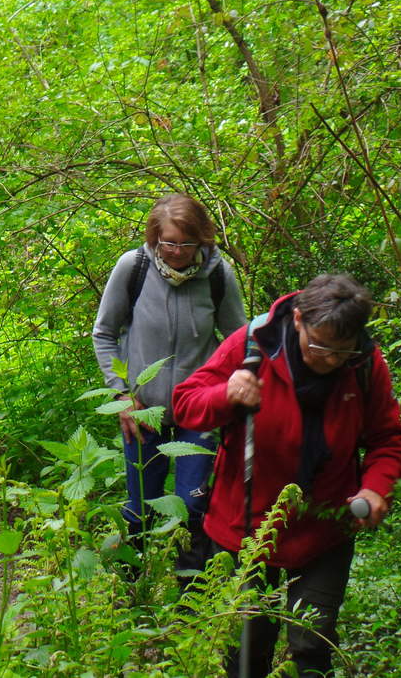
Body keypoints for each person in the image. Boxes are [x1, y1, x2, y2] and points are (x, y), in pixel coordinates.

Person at [173, 273, 401, 677]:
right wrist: (226, 393)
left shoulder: (365, 364)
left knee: (312, 645)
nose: (331, 359)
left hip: (324, 529)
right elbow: (186, 405)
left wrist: (375, 488)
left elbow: (387, 437)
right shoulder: (252, 345)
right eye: (319, 346)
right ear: (298, 319)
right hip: (246, 528)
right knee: (244, 652)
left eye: (342, 350)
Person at [91, 193, 247, 577]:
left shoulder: (218, 275)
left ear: (202, 239)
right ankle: (133, 589)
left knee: (192, 505)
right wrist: (122, 394)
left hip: (200, 409)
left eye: (186, 243)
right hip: (143, 409)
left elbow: (238, 340)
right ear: (155, 238)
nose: (176, 252)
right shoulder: (134, 267)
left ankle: (187, 595)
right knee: (140, 507)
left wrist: (230, 389)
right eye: (169, 243)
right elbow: (104, 333)